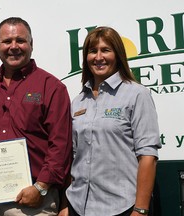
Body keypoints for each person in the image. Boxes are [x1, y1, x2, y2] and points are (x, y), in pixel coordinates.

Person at [0, 17, 72, 215]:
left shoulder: (51, 87)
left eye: (21, 41)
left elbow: (60, 144)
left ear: (31, 45)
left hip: (35, 200)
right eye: (7, 41)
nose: (14, 47)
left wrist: (41, 187)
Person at [65, 26, 162, 216]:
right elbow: (72, 157)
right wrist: (64, 204)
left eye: (106, 50)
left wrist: (140, 210)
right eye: (93, 51)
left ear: (117, 54)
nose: (98, 57)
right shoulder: (77, 102)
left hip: (121, 208)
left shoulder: (137, 94)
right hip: (78, 206)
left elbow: (148, 156)